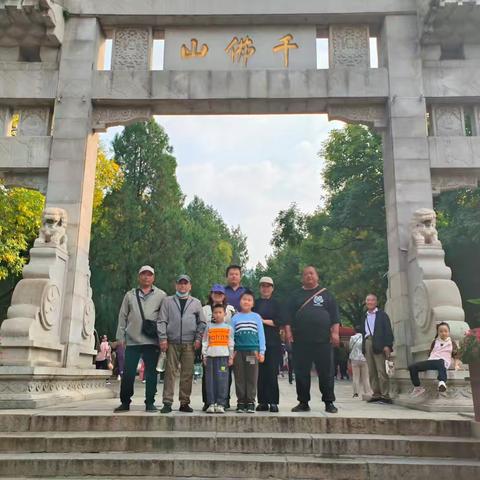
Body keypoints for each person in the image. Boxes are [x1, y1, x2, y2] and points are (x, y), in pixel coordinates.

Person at [286, 266, 340, 414]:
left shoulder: (326, 295)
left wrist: (335, 333)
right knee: (301, 372)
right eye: (305, 274)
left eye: (311, 273)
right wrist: (288, 333)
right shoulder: (295, 296)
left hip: (323, 340)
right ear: (302, 278)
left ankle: (329, 402)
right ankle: (303, 402)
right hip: (301, 341)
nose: (308, 276)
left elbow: (335, 316)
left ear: (317, 276)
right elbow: (288, 317)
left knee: (326, 372)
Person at [114, 265, 166, 412]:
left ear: (153, 278)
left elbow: (164, 318)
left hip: (152, 341)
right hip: (132, 339)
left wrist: (163, 338)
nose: (146, 277)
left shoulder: (161, 295)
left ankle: (150, 402)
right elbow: (122, 316)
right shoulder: (130, 295)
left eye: (149, 275)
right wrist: (120, 337)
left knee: (151, 373)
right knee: (128, 373)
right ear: (139, 277)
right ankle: (125, 402)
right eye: (143, 274)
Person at [158, 274, 207, 413]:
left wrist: (198, 338)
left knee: (187, 374)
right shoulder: (167, 301)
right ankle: (167, 402)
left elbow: (202, 322)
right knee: (169, 373)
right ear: (176, 285)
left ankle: (184, 402)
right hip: (171, 342)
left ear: (190, 286)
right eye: (180, 283)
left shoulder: (196, 302)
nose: (183, 286)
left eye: (185, 283)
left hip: (189, 343)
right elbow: (162, 321)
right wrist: (162, 338)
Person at [201, 284, 236, 411]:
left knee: (223, 379)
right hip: (210, 355)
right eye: (215, 293)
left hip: (224, 355)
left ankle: (222, 402)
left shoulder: (230, 313)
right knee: (209, 379)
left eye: (220, 293)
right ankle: (210, 402)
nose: (218, 296)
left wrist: (231, 356)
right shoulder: (205, 311)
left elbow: (231, 342)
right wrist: (204, 354)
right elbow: (205, 340)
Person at [232, 290, 266, 413]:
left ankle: (250, 401)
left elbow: (261, 335)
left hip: (252, 352)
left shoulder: (256, 317)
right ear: (240, 302)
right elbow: (231, 336)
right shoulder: (235, 317)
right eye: (244, 299)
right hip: (238, 352)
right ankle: (241, 401)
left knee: (251, 376)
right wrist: (232, 352)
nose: (246, 301)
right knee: (240, 376)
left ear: (252, 303)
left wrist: (261, 351)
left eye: (249, 300)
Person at [254, 276, 284, 413]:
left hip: (272, 342)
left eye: (268, 286)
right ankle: (262, 401)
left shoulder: (277, 304)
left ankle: (273, 401)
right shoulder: (255, 303)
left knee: (272, 372)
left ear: (272, 288)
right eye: (263, 286)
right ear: (260, 288)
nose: (265, 288)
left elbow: (279, 322)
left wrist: (263, 321)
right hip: (257, 343)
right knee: (260, 373)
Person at [409, 322, 458, 397]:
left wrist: (456, 365)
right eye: (441, 331)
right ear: (438, 332)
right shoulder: (435, 341)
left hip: (442, 363)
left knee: (441, 361)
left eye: (445, 331)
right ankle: (417, 387)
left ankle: (442, 382)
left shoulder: (452, 343)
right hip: (432, 361)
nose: (443, 333)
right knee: (412, 367)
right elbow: (431, 353)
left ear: (449, 332)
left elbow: (456, 355)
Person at [362, 293, 394, 404]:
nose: (370, 302)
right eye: (368, 300)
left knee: (381, 370)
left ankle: (385, 394)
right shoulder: (364, 316)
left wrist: (387, 345)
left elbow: (388, 331)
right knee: (371, 371)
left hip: (379, 343)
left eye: (372, 300)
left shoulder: (382, 315)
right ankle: (376, 393)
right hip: (367, 342)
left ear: (376, 302)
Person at [349, 325, 372, 398]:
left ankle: (356, 392)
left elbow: (350, 347)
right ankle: (367, 391)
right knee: (365, 377)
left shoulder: (352, 338)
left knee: (356, 377)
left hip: (355, 358)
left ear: (355, 330)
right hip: (364, 358)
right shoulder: (365, 338)